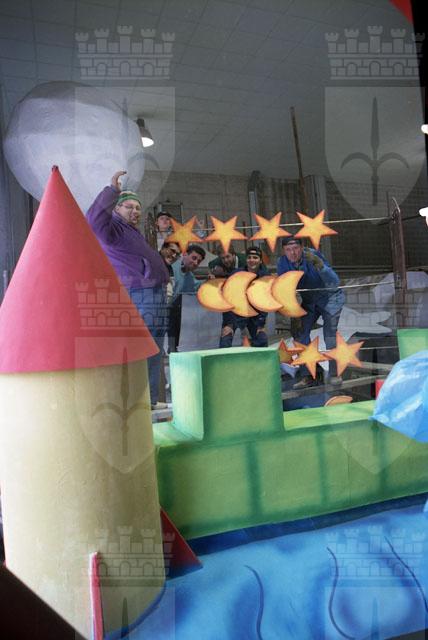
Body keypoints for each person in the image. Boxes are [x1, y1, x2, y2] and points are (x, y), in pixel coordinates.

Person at [86, 170, 170, 410]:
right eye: (129, 206)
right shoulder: (111, 229)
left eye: (138, 208)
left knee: (154, 345)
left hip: (152, 291)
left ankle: (148, 400)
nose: (135, 211)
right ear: (116, 208)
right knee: (144, 344)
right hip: (141, 292)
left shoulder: (131, 232)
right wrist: (112, 191)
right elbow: (93, 219)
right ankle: (140, 400)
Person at [277, 236, 345, 388]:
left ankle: (335, 373)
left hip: (330, 298)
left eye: (295, 248)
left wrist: (320, 265)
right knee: (299, 333)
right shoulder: (282, 263)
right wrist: (293, 310)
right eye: (288, 250)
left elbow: (334, 282)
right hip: (308, 301)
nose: (293, 253)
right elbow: (284, 288)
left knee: (330, 336)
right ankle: (310, 374)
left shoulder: (312, 255)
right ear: (284, 251)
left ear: (302, 248)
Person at [220, 246, 269, 348]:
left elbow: (265, 303)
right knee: (225, 340)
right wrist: (229, 324)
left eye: (255, 257)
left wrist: (261, 324)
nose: (252, 260)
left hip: (255, 315)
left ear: (260, 261)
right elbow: (227, 298)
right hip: (235, 313)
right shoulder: (236, 274)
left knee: (262, 340)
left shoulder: (265, 277)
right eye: (249, 257)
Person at [168, 244, 206, 352]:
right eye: (194, 258)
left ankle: (173, 350)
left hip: (174, 312)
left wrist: (208, 281)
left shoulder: (189, 276)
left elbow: (196, 287)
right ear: (184, 254)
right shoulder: (172, 267)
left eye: (198, 261)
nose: (195, 263)